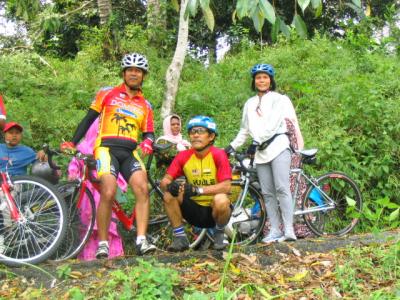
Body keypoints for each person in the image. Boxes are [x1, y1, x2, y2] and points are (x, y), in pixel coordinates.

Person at [61, 53, 157, 258]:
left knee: (142, 188)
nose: (134, 73)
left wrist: (148, 140)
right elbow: (88, 119)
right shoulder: (107, 94)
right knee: (108, 190)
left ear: (143, 76)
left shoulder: (145, 105)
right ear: (124, 73)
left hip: (129, 152)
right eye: (130, 70)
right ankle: (103, 243)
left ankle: (141, 240)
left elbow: (149, 131)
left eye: (138, 71)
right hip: (106, 149)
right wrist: (73, 141)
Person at [225, 63, 302, 243]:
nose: (262, 80)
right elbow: (244, 129)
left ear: (271, 80)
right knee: (267, 192)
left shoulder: (279, 99)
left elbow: (273, 125)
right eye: (258, 77)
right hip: (260, 153)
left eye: (265, 77)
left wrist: (256, 142)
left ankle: (289, 229)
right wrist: (231, 147)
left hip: (278, 146)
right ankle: (275, 230)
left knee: (282, 188)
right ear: (254, 81)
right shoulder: (249, 104)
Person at [160, 115, 232, 251]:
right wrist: (169, 185)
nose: (195, 135)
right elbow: (164, 181)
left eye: (200, 131)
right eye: (192, 132)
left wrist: (198, 190)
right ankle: (180, 238)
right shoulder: (183, 156)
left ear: (211, 136)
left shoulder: (218, 154)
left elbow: (226, 186)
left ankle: (219, 234)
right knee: (169, 195)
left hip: (214, 211)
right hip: (193, 211)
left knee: (221, 199)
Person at [68, 117, 126, 260]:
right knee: (88, 225)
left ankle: (113, 255)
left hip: (105, 189)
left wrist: (118, 183)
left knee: (108, 223)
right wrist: (73, 174)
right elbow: (75, 165)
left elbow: (119, 170)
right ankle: (88, 257)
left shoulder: (111, 148)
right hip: (88, 191)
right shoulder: (83, 147)